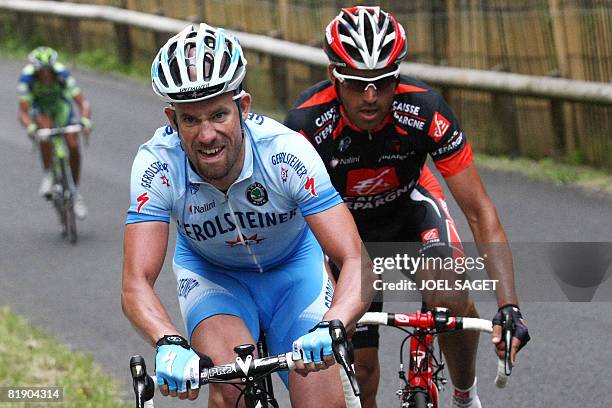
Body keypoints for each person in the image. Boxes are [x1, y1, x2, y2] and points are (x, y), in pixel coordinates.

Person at [285, 6, 530, 408]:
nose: (371, 96)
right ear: (333, 76)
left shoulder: (426, 108)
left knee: (450, 295)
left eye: (383, 83)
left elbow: (480, 211)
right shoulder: (305, 124)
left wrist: (509, 306)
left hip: (410, 212)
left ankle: (465, 396)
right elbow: (290, 220)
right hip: (346, 233)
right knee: (360, 368)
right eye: (357, 83)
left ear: (397, 76)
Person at [121, 23, 374, 407]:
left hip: (295, 274)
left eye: (219, 114)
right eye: (191, 120)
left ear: (244, 106)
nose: (207, 135)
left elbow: (355, 258)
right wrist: (168, 342)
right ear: (172, 121)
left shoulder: (287, 153)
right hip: (215, 280)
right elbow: (135, 282)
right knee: (232, 388)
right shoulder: (157, 165)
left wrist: (334, 322)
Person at [18, 46, 92, 219]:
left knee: (73, 144)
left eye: (48, 71)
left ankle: (74, 192)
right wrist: (30, 126)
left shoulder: (62, 74)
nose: (45, 75)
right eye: (41, 72)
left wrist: (85, 119)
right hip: (41, 109)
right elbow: (22, 111)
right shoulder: (26, 78)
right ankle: (48, 174)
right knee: (44, 132)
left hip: (60, 107)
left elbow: (82, 102)